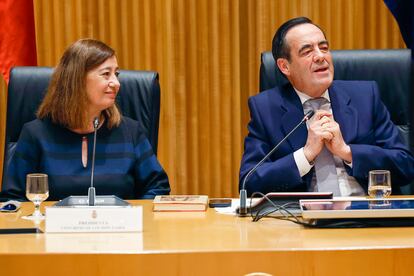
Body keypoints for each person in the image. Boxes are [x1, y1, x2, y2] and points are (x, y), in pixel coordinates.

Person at [239, 17, 414, 196]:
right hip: (303, 219)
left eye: (323, 48)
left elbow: (405, 165)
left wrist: (348, 152)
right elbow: (249, 182)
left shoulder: (365, 97)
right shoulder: (266, 109)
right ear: (285, 66)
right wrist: (305, 155)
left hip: (367, 212)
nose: (320, 56)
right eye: (307, 51)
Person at [2, 39, 170, 201]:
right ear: (77, 79)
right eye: (106, 74)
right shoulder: (35, 135)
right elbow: (13, 199)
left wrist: (131, 217)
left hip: (118, 228)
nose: (117, 83)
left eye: (116, 74)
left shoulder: (131, 132)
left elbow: (157, 188)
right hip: (53, 229)